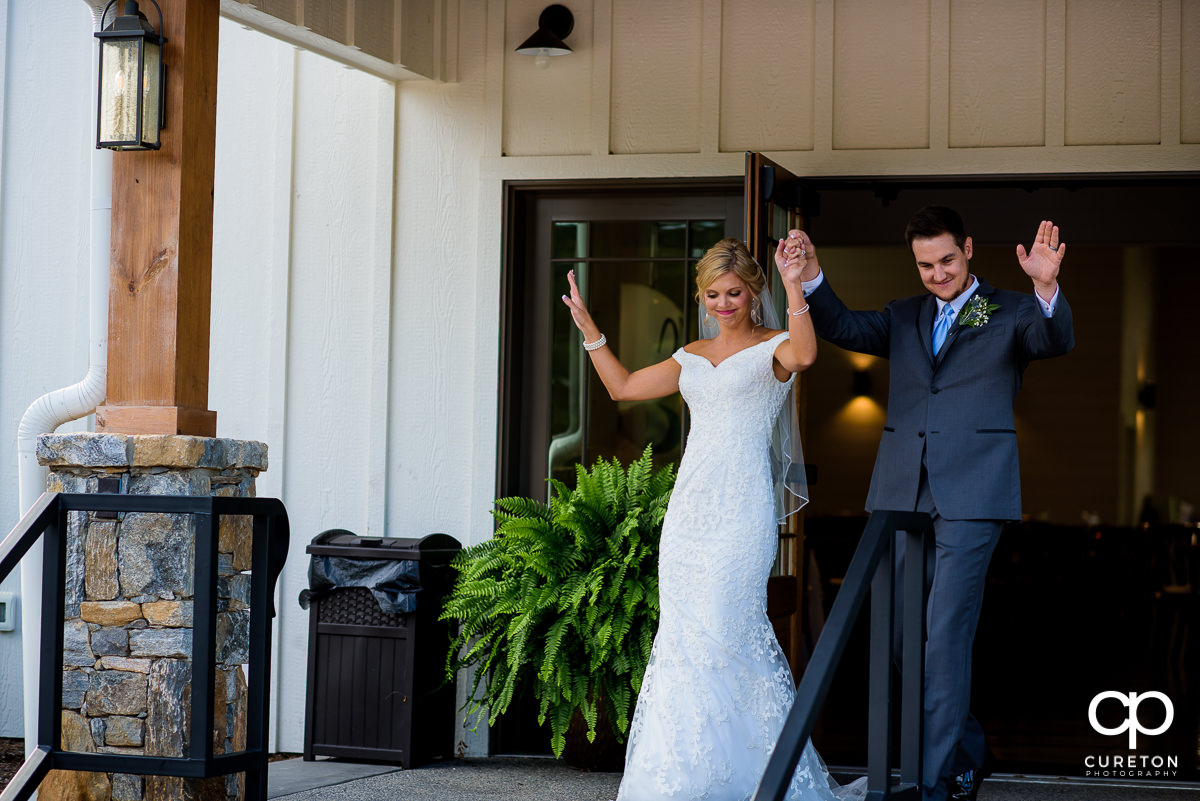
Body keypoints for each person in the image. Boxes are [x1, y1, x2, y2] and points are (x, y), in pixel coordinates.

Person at [561, 238, 864, 801]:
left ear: (753, 293)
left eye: (734, 292)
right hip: (689, 516)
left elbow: (806, 355)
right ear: (701, 297)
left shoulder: (777, 345)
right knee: (682, 640)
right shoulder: (691, 355)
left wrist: (794, 281)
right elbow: (622, 387)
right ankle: (681, 781)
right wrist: (587, 326)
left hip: (741, 515)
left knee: (729, 629)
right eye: (713, 294)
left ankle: (760, 776)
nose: (724, 303)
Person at [791, 207, 1075, 801]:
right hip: (904, 488)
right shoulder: (905, 315)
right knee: (900, 641)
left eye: (947, 260)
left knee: (944, 636)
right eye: (925, 264)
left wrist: (1045, 287)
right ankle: (968, 754)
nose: (937, 273)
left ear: (967, 249)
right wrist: (813, 277)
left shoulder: (1010, 311)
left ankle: (935, 782)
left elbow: (1052, 339)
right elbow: (844, 327)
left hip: (974, 493)